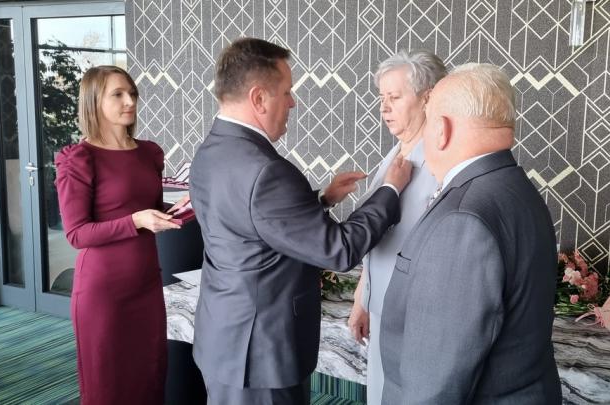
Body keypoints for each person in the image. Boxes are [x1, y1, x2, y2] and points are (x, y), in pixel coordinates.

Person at [188, 38, 413, 405]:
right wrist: (389, 190)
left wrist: (321, 199)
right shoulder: (266, 172)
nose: (293, 102)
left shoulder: (210, 150)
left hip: (225, 337)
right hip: (261, 353)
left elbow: (253, 220)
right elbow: (339, 250)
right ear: (259, 98)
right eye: (287, 92)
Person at [378, 63, 562, 404]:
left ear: (442, 130)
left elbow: (435, 382)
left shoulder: (462, 219)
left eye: (427, 121)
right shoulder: (518, 188)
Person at [55, 65, 184, 404]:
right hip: (103, 293)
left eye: (132, 93)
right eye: (118, 94)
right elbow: (77, 233)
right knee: (109, 387)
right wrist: (136, 221)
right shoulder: (79, 159)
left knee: (149, 377)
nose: (130, 101)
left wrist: (183, 208)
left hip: (146, 285)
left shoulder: (149, 152)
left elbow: (149, 210)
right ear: (94, 101)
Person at [346, 50, 446, 405]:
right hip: (382, 311)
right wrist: (362, 300)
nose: (384, 108)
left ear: (428, 97)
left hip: (416, 320)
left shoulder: (440, 165)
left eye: (394, 97)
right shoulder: (394, 157)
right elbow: (380, 241)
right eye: (381, 98)